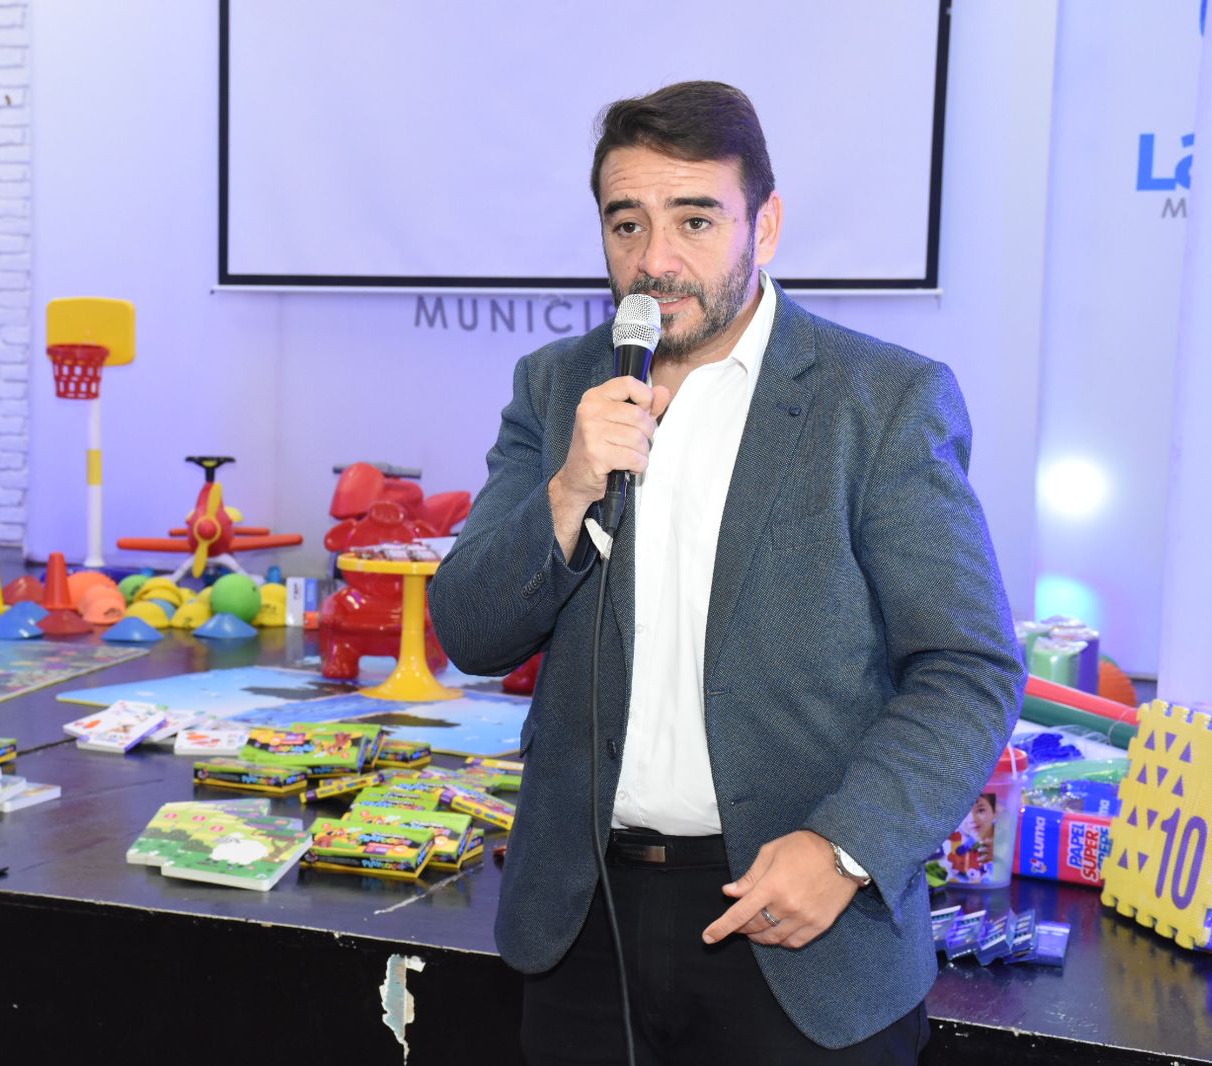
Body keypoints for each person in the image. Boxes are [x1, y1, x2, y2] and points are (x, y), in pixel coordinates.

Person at [429, 81, 1024, 1065]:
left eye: (695, 220)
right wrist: (569, 489)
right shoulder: (555, 385)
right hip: (584, 924)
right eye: (626, 223)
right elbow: (470, 631)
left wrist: (845, 849)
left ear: (767, 226)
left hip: (800, 927)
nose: (654, 260)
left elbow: (968, 667)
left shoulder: (881, 399)